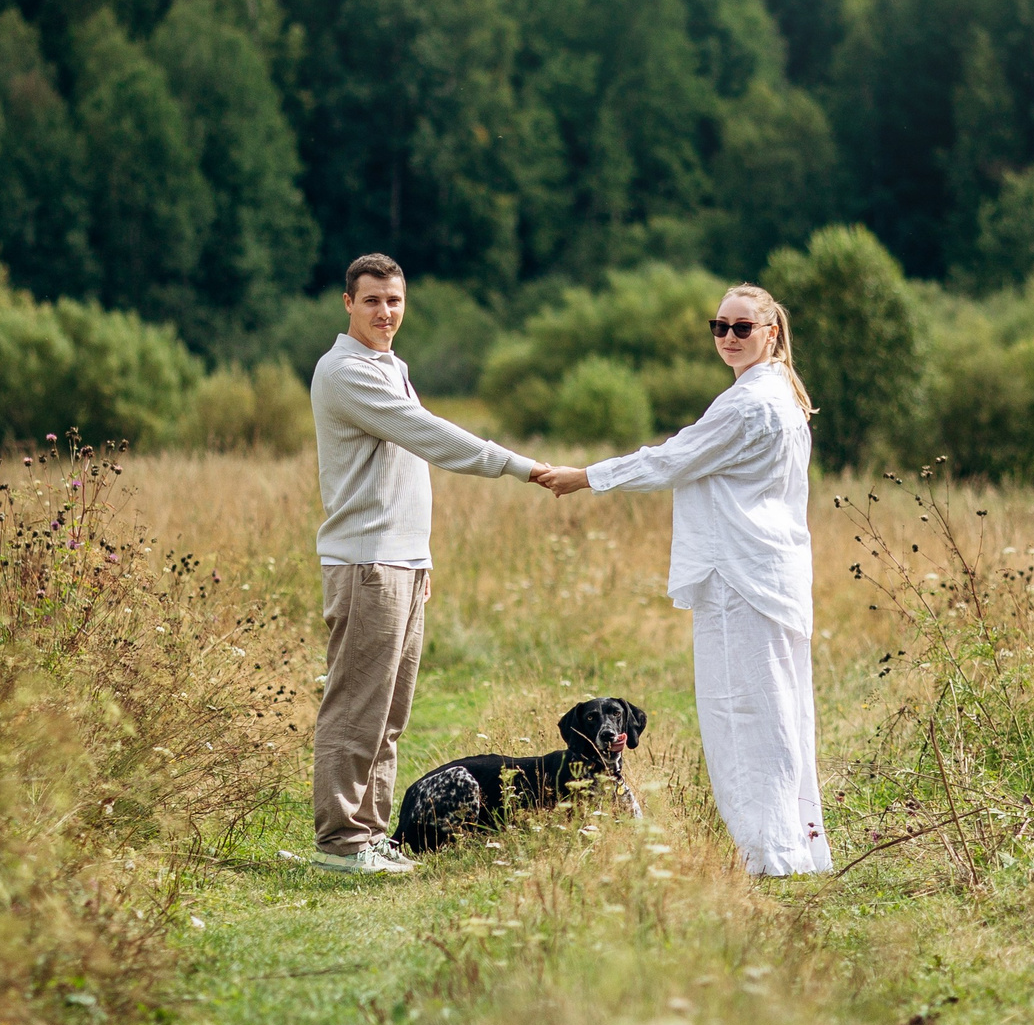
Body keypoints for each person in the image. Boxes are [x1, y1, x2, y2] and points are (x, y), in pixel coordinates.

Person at [534, 283, 831, 876]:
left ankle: (770, 853)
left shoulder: (753, 404)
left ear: (771, 333)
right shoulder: (780, 397)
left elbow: (670, 459)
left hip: (741, 576)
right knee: (780, 711)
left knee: (745, 716)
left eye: (742, 328)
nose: (728, 338)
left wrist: (586, 476)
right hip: (769, 570)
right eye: (719, 327)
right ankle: (795, 846)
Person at [308, 253, 548, 875]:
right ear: (348, 304)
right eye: (372, 301)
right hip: (368, 563)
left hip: (403, 562)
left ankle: (371, 833)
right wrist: (518, 465)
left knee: (389, 713)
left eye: (394, 300)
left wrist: (423, 559)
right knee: (357, 707)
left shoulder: (390, 366)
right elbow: (429, 436)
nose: (386, 312)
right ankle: (341, 841)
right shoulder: (344, 371)